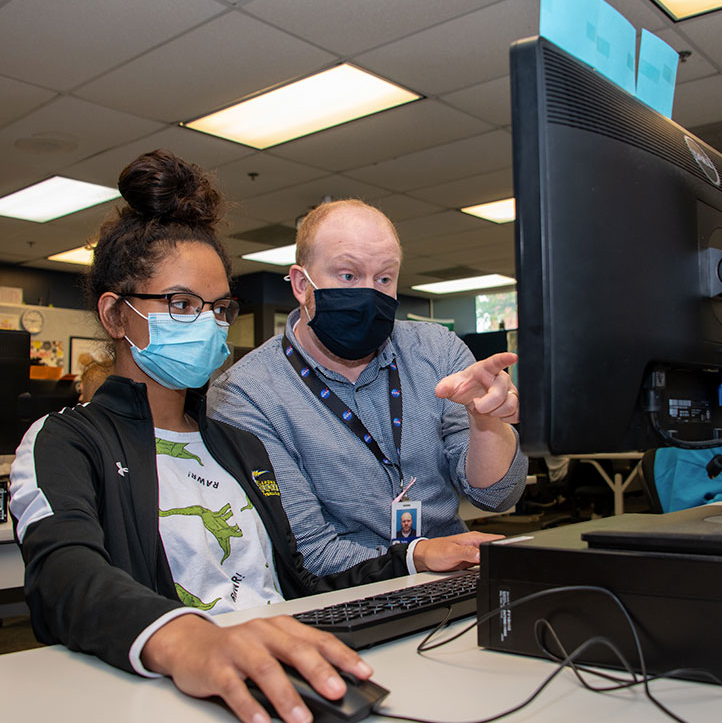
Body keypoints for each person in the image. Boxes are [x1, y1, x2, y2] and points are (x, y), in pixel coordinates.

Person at [9, 151, 501, 723]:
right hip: (166, 682)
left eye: (219, 308)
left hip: (276, 664)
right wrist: (187, 640)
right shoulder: (67, 440)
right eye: (181, 304)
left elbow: (302, 572)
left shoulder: (234, 444)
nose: (208, 324)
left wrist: (416, 555)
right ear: (117, 316)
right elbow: (63, 577)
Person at [208, 199, 528, 576]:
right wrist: (418, 557)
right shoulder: (247, 395)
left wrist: (485, 422)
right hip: (342, 598)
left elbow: (497, 496)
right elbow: (306, 554)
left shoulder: (436, 351)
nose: (368, 293)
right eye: (347, 275)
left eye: (384, 278)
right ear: (300, 284)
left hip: (456, 576)